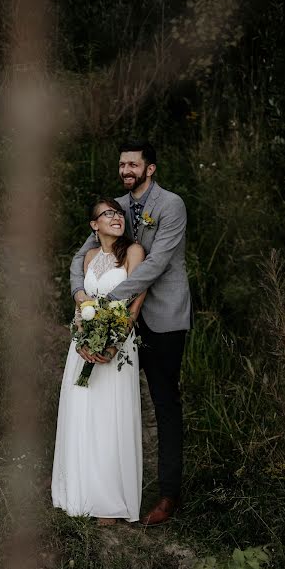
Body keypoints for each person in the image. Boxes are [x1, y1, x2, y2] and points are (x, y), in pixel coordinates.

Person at [70, 140, 191, 525]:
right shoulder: (117, 209)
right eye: (122, 164)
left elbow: (155, 263)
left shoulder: (171, 205)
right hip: (117, 322)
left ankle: (168, 495)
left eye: (133, 164)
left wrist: (109, 305)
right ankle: (103, 487)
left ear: (150, 169)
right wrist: (81, 295)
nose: (126, 170)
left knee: (164, 403)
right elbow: (80, 255)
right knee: (105, 401)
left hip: (163, 318)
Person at [52, 198, 146, 524]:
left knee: (110, 415)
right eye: (107, 214)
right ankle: (81, 490)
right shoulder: (89, 257)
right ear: (94, 225)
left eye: (118, 213)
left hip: (117, 346)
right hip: (82, 346)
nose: (115, 217)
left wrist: (114, 341)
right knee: (83, 411)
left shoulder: (133, 252)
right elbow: (81, 306)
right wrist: (81, 336)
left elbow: (136, 302)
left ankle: (109, 500)